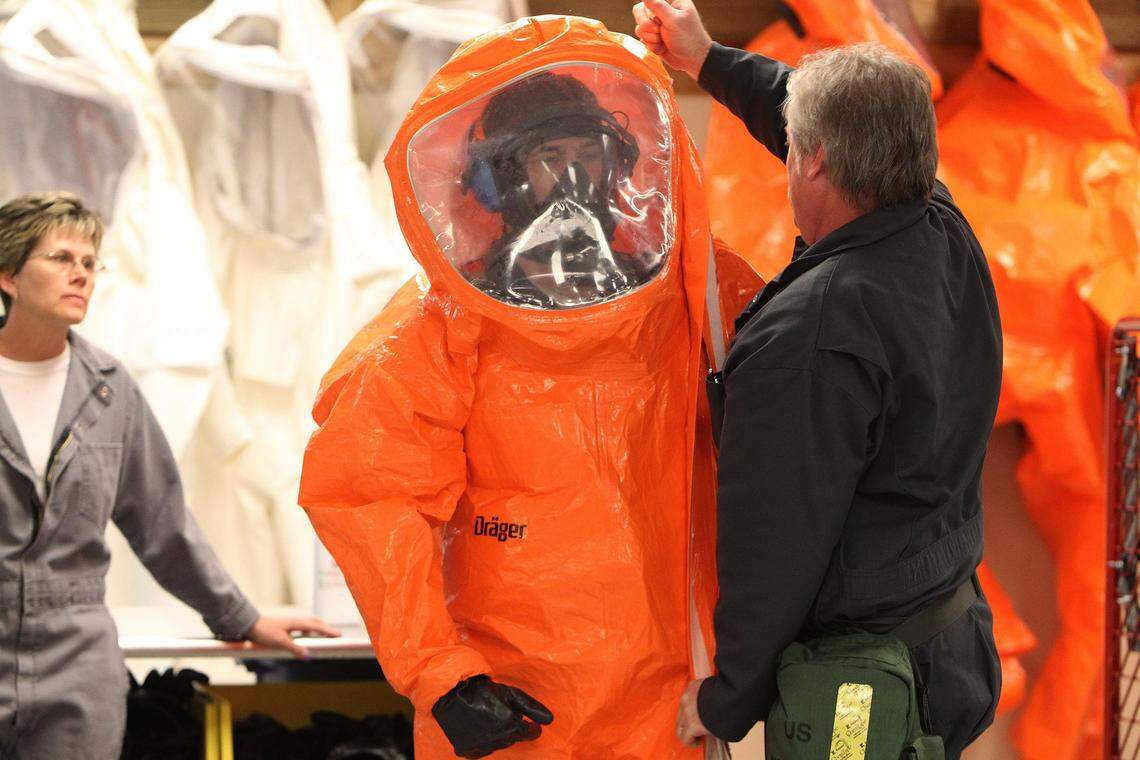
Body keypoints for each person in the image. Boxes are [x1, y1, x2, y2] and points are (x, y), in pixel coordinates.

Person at [300, 15, 760, 759]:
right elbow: (366, 496)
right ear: (503, 174)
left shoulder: (696, 295)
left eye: (590, 153)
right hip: (514, 708)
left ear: (623, 163)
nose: (576, 180)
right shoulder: (441, 331)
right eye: (552, 155)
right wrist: (443, 679)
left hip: (673, 699)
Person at [633, 1, 1002, 757]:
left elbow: (774, 542)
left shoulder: (811, 334)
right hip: (950, 641)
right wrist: (708, 60)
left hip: (861, 702)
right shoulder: (939, 225)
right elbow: (809, 115)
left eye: (797, 144)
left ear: (818, 160)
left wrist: (727, 696)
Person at [0, 192, 340, 759]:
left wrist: (241, 617)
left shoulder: (109, 391)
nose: (80, 275)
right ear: (8, 275)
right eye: (61, 259)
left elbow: (162, 524)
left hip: (74, 665)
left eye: (90, 263)